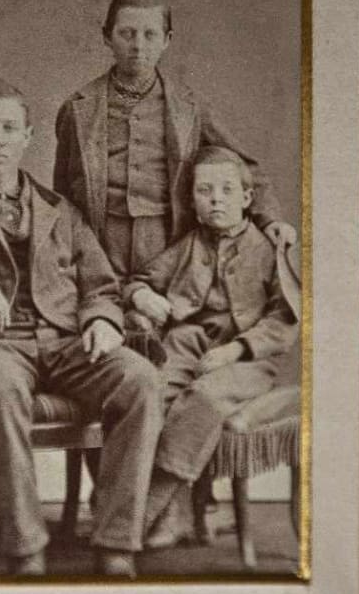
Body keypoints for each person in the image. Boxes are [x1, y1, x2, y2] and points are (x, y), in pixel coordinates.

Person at [0, 78, 164, 578]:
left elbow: (100, 285)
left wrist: (102, 321)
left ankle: (116, 543)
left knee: (141, 380)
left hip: (68, 341)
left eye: (8, 127)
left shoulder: (60, 209)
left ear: (28, 136)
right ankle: (24, 549)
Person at [53, 0, 295, 284]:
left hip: (170, 246)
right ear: (107, 37)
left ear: (167, 40)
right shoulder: (78, 108)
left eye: (150, 35)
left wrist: (270, 218)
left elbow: (245, 165)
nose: (138, 45)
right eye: (127, 33)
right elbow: (61, 192)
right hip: (99, 244)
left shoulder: (189, 107)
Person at [125, 145, 300, 547]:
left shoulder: (268, 249)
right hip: (187, 343)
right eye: (205, 190)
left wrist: (236, 350)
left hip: (249, 359)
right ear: (192, 201)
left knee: (204, 396)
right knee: (151, 391)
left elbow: (285, 317)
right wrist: (141, 296)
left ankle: (150, 506)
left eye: (226, 190)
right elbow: (141, 280)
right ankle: (170, 513)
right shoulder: (189, 245)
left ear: (247, 197)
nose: (216, 199)